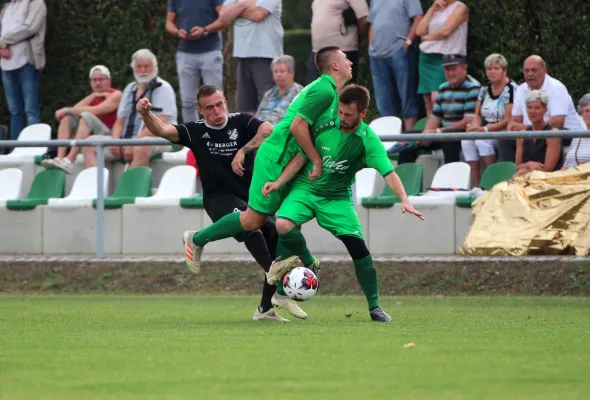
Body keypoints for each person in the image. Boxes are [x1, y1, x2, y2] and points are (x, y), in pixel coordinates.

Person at [179, 46, 353, 277]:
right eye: (345, 58)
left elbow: (305, 139)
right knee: (253, 220)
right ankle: (197, 239)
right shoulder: (324, 91)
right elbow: (296, 127)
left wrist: (298, 172)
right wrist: (317, 161)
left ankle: (284, 282)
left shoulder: (328, 93)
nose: (350, 62)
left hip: (287, 159)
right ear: (334, 65)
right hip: (275, 157)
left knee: (289, 219)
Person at [135, 85, 301, 322]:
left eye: (219, 104)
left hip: (250, 197)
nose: (217, 111)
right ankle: (263, 266)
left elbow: (268, 130)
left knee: (274, 235)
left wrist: (243, 150)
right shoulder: (194, 131)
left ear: (225, 101)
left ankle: (265, 309)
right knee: (251, 227)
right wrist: (145, 114)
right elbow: (161, 129)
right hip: (218, 200)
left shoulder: (241, 122)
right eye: (210, 108)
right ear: (201, 110)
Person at [262, 84, 424, 322]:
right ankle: (309, 262)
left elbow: (388, 172)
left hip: (337, 198)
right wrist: (278, 182)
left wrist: (404, 199)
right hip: (305, 189)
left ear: (363, 114)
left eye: (348, 115)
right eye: (340, 112)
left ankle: (375, 307)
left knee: (359, 249)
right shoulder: (324, 126)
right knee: (283, 225)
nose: (342, 118)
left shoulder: (368, 140)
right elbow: (300, 157)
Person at [82, 49, 178, 168]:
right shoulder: (130, 88)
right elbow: (120, 121)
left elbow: (159, 123)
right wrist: (116, 140)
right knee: (88, 143)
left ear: (154, 67)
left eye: (146, 66)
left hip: (160, 137)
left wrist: (133, 142)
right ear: (134, 68)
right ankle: (95, 185)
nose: (143, 70)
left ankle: (131, 186)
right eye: (139, 67)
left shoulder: (163, 88)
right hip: (128, 139)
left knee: (142, 145)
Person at [42, 65, 122, 173]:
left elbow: (97, 110)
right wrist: (93, 96)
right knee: (67, 118)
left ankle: (70, 159)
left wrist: (66, 109)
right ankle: (60, 158)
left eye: (101, 79)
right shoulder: (94, 96)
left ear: (109, 80)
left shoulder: (116, 94)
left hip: (110, 134)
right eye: (94, 80)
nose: (97, 83)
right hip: (95, 132)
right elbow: (74, 110)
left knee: (86, 116)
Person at [166, 0, 226, 123]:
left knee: (216, 99)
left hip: (210, 51)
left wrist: (205, 30)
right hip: (185, 52)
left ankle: (221, 134)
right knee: (187, 102)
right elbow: (168, 23)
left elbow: (224, 19)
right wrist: (177, 32)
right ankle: (192, 139)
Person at [464, 53, 518, 187]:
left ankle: (493, 180)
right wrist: (474, 127)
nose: (492, 72)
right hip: (485, 128)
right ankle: (476, 185)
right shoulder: (484, 90)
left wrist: (483, 130)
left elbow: (507, 119)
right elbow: (477, 115)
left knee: (482, 141)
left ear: (504, 71)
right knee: (466, 141)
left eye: (496, 68)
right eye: (489, 69)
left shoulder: (511, 89)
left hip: (503, 129)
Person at [0, 0, 47, 140]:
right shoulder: (6, 8)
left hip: (26, 62)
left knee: (30, 110)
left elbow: (29, 28)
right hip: (6, 65)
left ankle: (33, 148)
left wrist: (3, 40)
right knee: (15, 112)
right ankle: (15, 149)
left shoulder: (36, 3)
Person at [514, 90, 563, 177]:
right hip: (526, 175)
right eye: (529, 107)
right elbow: (517, 166)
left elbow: (548, 169)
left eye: (537, 108)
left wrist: (525, 169)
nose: (533, 111)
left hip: (548, 179)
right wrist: (529, 164)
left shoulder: (552, 135)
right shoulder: (522, 135)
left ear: (545, 110)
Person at [255, 55, 303, 126]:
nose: (278, 75)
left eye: (282, 71)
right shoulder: (269, 94)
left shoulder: (300, 93)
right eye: (275, 72)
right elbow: (257, 116)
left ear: (291, 73)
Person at [563, 94, 590, 169]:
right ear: (582, 113)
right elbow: (566, 164)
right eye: (587, 111)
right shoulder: (577, 137)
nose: (589, 114)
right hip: (570, 176)